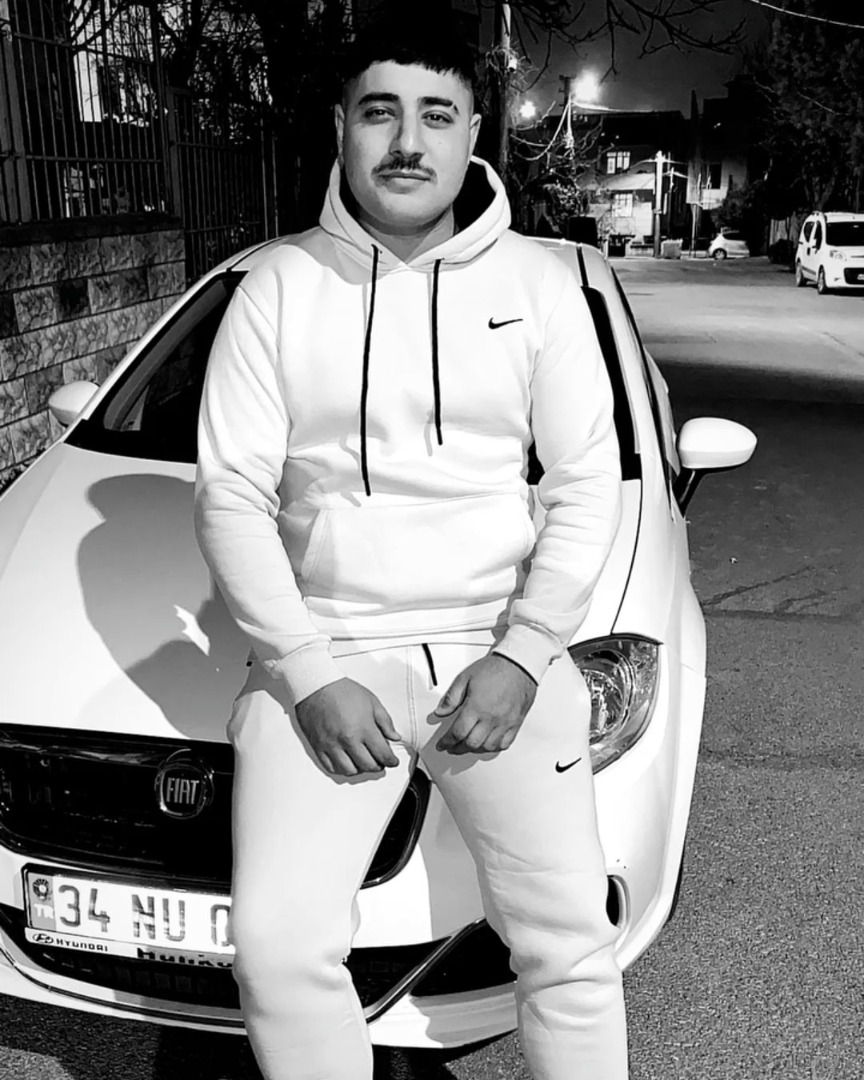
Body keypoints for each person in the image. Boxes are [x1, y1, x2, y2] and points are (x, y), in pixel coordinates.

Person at [194, 16, 627, 1080]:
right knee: (279, 954)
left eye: (436, 115)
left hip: (498, 649)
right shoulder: (277, 287)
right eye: (379, 112)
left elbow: (584, 484)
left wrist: (525, 654)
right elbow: (231, 496)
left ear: (473, 133)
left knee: (570, 948)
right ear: (340, 127)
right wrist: (306, 674)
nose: (406, 142)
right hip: (332, 655)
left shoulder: (538, 285)